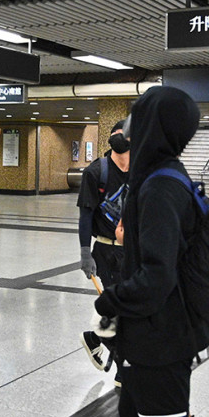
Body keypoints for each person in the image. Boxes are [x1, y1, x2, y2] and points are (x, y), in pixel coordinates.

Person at [94, 86, 209, 417]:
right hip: (147, 337)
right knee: (133, 414)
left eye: (136, 115)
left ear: (154, 125)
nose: (128, 125)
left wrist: (111, 300)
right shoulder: (158, 177)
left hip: (162, 341)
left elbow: (156, 278)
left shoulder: (163, 185)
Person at [77, 121, 130, 385]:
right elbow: (86, 215)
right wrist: (86, 253)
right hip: (106, 252)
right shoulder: (96, 172)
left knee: (132, 309)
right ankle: (123, 370)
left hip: (134, 252)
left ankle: (95, 337)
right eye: (115, 136)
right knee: (121, 311)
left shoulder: (142, 171)